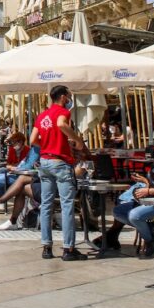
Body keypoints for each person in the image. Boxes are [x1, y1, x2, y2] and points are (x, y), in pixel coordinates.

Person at [31, 85, 89, 261]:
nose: (70, 99)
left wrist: (47, 147)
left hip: (45, 161)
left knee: (47, 204)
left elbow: (32, 140)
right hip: (60, 162)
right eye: (69, 96)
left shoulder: (41, 116)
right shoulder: (62, 112)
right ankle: (68, 248)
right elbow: (61, 124)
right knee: (66, 205)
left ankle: (47, 247)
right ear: (63, 97)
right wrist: (77, 141)